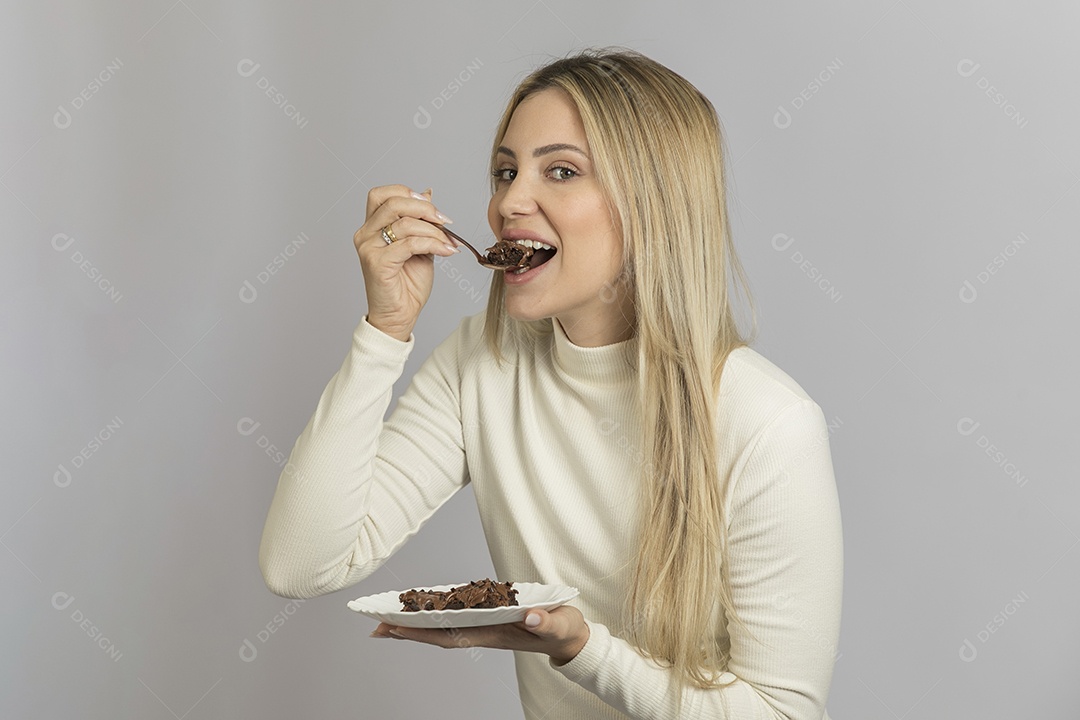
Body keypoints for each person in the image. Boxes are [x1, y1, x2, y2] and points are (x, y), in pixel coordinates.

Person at [259, 47, 843, 719]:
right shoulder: (481, 360)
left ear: (654, 203)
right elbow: (298, 564)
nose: (510, 201)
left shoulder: (767, 421)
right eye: (505, 171)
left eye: (560, 171)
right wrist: (384, 329)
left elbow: (783, 715)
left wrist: (582, 650)